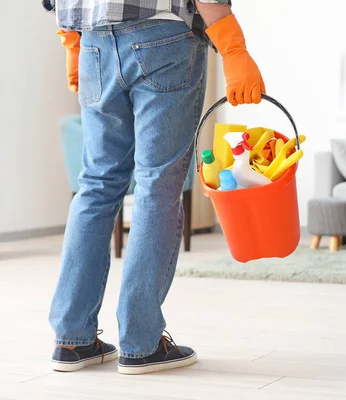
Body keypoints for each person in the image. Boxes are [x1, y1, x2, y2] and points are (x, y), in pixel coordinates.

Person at [42, 0, 266, 374]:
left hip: (94, 43)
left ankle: (71, 339)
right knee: (157, 184)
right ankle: (142, 343)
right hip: (163, 36)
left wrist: (71, 39)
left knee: (97, 184)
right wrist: (233, 48)